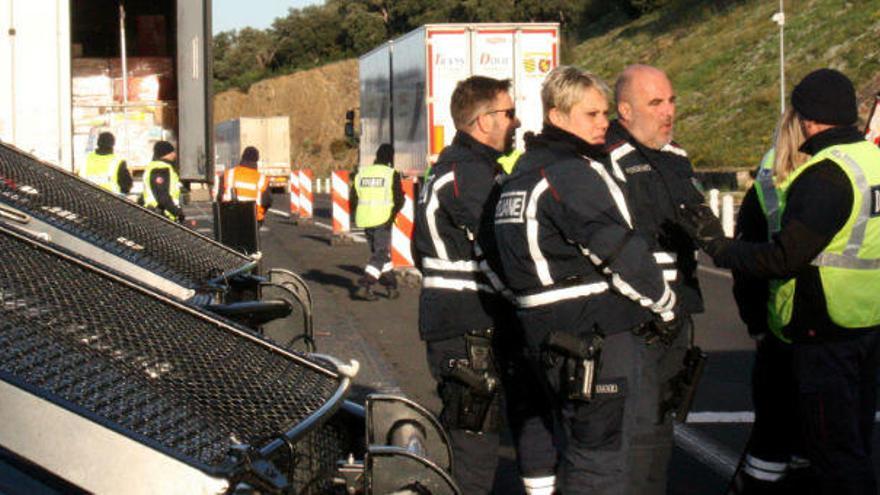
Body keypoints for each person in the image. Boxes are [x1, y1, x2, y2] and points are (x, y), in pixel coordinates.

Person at [681, 68, 880, 495]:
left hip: (820, 329)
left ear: (807, 119)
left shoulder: (825, 175)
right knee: (854, 444)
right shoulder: (872, 162)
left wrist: (718, 247)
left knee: (834, 454)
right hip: (865, 323)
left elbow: (783, 257)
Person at [492, 65, 680, 494]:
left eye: (605, 113)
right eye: (592, 115)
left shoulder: (520, 174)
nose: (603, 123)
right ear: (558, 117)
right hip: (596, 334)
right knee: (600, 463)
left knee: (579, 447)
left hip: (544, 334)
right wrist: (665, 304)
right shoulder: (570, 173)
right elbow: (619, 249)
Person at [414, 75, 556, 494]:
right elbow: (500, 253)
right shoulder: (467, 175)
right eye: (508, 113)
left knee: (526, 415)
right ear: (482, 120)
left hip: (478, 321)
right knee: (475, 442)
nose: (516, 122)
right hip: (468, 326)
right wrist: (536, 304)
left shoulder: (467, 169)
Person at [603, 64, 706, 493]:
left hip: (678, 313)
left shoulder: (677, 157)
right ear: (625, 110)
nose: (668, 112)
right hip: (635, 316)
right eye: (655, 103)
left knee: (663, 421)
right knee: (637, 430)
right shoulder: (607, 160)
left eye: (672, 100)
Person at [727, 108, 810, 494]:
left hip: (781, 324)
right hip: (841, 327)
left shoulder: (767, 179)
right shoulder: (846, 173)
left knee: (771, 437)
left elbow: (747, 263)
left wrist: (756, 324)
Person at [349, 143, 404, 300]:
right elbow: (399, 199)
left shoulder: (363, 173)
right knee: (380, 254)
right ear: (390, 157)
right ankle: (366, 284)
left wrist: (358, 213)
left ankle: (391, 286)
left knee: (380, 255)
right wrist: (392, 215)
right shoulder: (390, 173)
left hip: (365, 219)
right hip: (382, 219)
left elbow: (353, 198)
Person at [217, 146, 272, 227]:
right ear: (256, 160)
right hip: (253, 219)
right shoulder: (262, 179)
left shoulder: (228, 174)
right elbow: (267, 201)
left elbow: (219, 197)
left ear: (242, 158)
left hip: (229, 217)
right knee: (250, 238)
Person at [142, 140, 184, 223]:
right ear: (166, 153)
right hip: (162, 216)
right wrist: (177, 212)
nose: (174, 155)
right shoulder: (160, 169)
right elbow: (162, 195)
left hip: (156, 214)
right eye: (172, 152)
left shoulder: (155, 167)